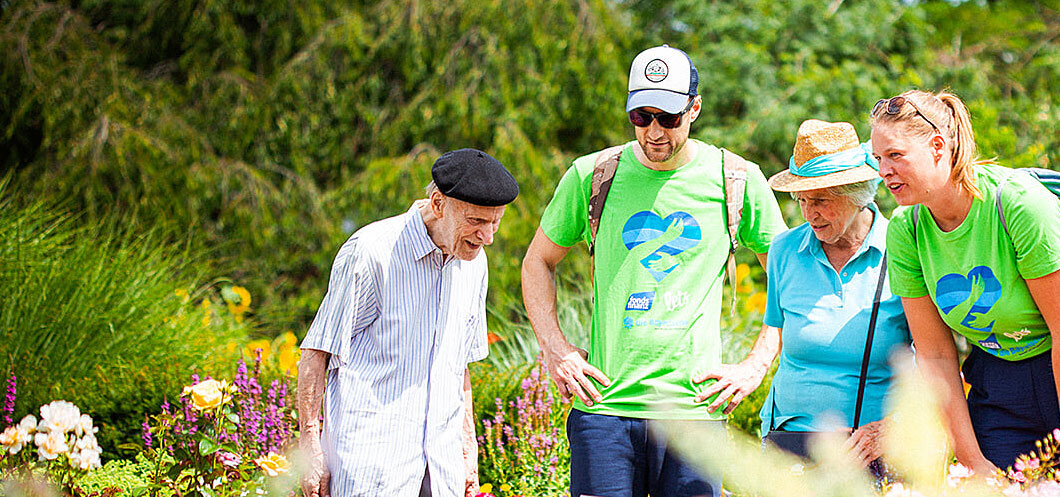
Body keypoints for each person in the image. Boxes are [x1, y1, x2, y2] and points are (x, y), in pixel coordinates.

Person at [521, 45, 788, 497]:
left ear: (694, 108)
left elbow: (788, 275)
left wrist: (756, 366)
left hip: (693, 414)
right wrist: (556, 349)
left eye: (668, 117)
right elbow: (537, 262)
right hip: (604, 411)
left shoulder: (735, 179)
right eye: (641, 117)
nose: (654, 132)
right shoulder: (592, 175)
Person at [868, 89, 1060, 489]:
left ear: (938, 146)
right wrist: (971, 457)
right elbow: (937, 355)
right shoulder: (906, 230)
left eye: (895, 155)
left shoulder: (1018, 204)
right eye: (878, 159)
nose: (884, 170)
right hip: (1001, 369)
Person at [296, 148, 519, 497]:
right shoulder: (371, 251)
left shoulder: (474, 262)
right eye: (476, 221)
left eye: (496, 222)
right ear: (438, 203)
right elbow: (316, 351)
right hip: (373, 469)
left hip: (441, 470)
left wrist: (467, 447)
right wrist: (310, 445)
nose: (487, 236)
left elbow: (458, 366)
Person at [758, 119, 911, 470]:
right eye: (802, 200)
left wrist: (893, 429)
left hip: (869, 450)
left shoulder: (902, 250)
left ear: (858, 195)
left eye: (822, 200)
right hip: (789, 445)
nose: (810, 213)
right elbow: (779, 339)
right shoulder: (784, 250)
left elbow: (936, 359)